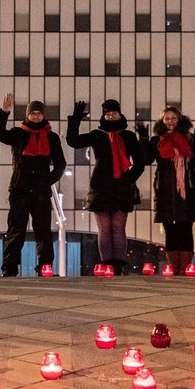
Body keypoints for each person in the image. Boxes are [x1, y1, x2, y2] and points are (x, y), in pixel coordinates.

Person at [67, 99, 145, 275]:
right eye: (107, 114)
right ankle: (107, 265)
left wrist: (129, 179)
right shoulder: (97, 135)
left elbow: (140, 163)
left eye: (114, 113)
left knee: (118, 228)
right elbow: (73, 141)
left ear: (120, 114)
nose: (111, 116)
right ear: (103, 116)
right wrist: (75, 119)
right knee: (104, 228)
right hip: (100, 187)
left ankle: (118, 266)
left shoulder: (128, 136)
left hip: (122, 187)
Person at [0, 94, 67, 276]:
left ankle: (45, 267)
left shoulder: (52, 137)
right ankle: (9, 268)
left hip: (41, 191)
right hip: (19, 189)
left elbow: (60, 164)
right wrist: (4, 112)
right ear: (27, 115)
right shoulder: (18, 134)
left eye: (38, 113)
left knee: (43, 232)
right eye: (32, 113)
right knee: (15, 231)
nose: (36, 116)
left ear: (43, 115)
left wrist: (47, 180)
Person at [137, 106, 195, 275]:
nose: (170, 121)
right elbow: (146, 159)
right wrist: (143, 137)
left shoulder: (189, 138)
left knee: (185, 230)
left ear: (180, 119)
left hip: (186, 190)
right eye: (167, 118)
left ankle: (184, 268)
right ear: (162, 121)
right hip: (165, 190)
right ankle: (175, 268)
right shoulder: (157, 140)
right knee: (170, 230)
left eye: (173, 118)